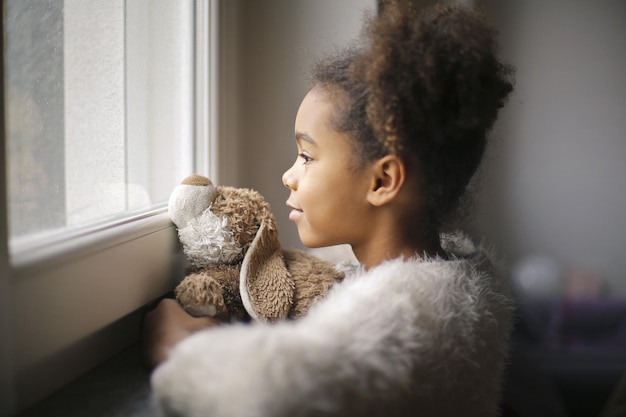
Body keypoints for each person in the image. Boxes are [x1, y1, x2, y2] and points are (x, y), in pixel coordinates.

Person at [144, 1, 515, 416]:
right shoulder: (458, 276)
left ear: (382, 181)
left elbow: (262, 392)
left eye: (306, 156)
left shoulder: (407, 312)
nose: (289, 175)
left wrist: (179, 344)